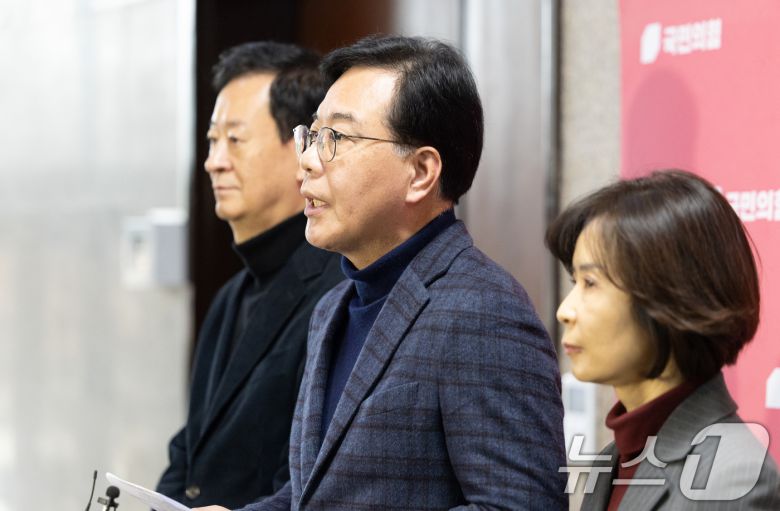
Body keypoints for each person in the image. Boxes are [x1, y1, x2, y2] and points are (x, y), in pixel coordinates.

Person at [195, 34, 567, 511]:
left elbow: (518, 506)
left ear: (421, 172)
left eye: (337, 139)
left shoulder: (483, 312)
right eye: (312, 135)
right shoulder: (334, 307)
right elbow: (310, 496)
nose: (306, 161)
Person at [156, 42, 344, 509]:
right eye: (212, 140)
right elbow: (191, 450)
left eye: (235, 140)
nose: (214, 161)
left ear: (301, 147)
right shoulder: (230, 296)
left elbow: (307, 481)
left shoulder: (338, 290)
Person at [547, 169, 780, 509]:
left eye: (591, 283)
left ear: (670, 298)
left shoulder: (734, 481)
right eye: (575, 282)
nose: (565, 311)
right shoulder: (615, 458)